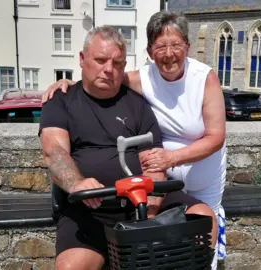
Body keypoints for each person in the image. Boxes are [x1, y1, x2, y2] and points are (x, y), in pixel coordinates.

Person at [43, 11, 226, 269]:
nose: (109, 69)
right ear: (82, 60)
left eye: (118, 63)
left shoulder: (138, 103)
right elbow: (54, 151)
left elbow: (155, 163)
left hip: (143, 202)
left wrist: (148, 216)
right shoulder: (61, 101)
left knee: (202, 217)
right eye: (100, 60)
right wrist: (77, 183)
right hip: (91, 210)